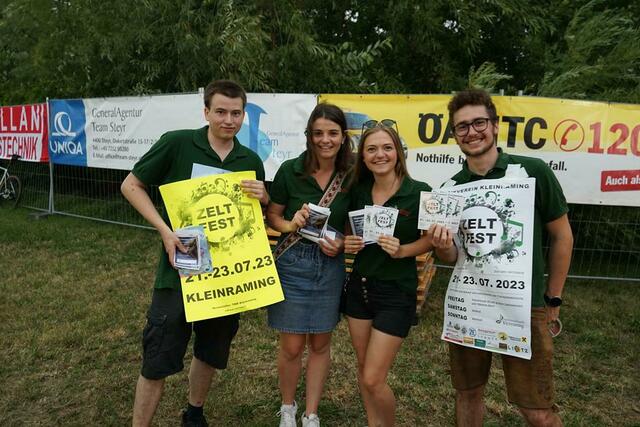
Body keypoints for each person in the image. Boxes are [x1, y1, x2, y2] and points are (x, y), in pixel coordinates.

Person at [121, 79, 268, 427]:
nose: (228, 120)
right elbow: (131, 185)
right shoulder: (177, 143)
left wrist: (263, 199)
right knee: (157, 358)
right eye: (220, 112)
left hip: (225, 280)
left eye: (236, 113)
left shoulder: (250, 160)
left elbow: (253, 221)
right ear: (206, 112)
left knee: (210, 352)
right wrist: (165, 230)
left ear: (243, 115)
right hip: (178, 274)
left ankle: (194, 412)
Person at [429, 88, 573, 427]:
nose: (471, 132)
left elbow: (562, 236)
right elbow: (452, 255)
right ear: (454, 135)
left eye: (479, 122)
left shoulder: (532, 171)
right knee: (468, 393)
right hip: (469, 305)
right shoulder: (449, 188)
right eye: (462, 126)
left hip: (523, 307)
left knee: (537, 411)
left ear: (495, 126)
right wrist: (441, 244)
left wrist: (553, 298)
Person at [266, 103, 353, 427]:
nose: (325, 140)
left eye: (332, 133)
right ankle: (288, 407)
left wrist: (342, 242)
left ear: (343, 136)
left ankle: (311, 413)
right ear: (309, 136)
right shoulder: (290, 170)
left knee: (320, 343)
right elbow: (273, 216)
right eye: (318, 133)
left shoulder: (353, 174)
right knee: (291, 345)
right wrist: (291, 223)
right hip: (292, 262)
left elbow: (355, 225)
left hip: (329, 266)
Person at [343, 121, 434, 427]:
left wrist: (402, 250)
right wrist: (348, 241)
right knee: (363, 368)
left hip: (396, 292)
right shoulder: (357, 191)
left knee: (373, 378)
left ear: (398, 152)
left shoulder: (419, 192)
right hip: (359, 288)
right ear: (363, 157)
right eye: (371, 149)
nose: (379, 154)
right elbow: (348, 230)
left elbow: (430, 239)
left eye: (386, 147)